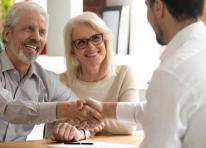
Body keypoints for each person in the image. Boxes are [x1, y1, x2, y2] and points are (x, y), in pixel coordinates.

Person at [0, 2, 102, 147]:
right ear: (7, 35)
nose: (36, 37)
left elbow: (82, 114)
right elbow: (9, 109)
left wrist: (81, 131)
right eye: (28, 29)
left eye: (42, 32)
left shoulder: (47, 80)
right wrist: (64, 110)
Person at [82, 0, 206, 147]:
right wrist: (104, 110)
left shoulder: (171, 73)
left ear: (158, 7)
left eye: (147, 6)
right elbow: (162, 109)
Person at [50, 12, 139, 142]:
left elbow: (130, 124)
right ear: (72, 51)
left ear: (106, 41)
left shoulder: (125, 74)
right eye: (81, 42)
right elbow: (52, 131)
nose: (90, 47)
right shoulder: (60, 82)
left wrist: (88, 123)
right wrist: (99, 124)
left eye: (96, 38)